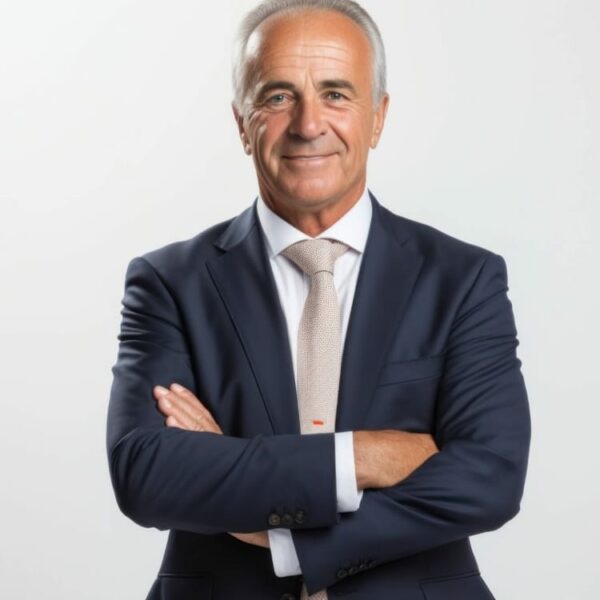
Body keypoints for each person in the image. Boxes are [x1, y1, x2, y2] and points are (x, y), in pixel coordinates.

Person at [106, 1, 531, 598]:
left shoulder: (462, 279)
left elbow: (490, 478)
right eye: (278, 96)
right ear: (241, 123)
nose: (308, 124)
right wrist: (359, 458)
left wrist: (278, 530)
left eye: (336, 94)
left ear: (377, 117)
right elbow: (146, 473)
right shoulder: (169, 282)